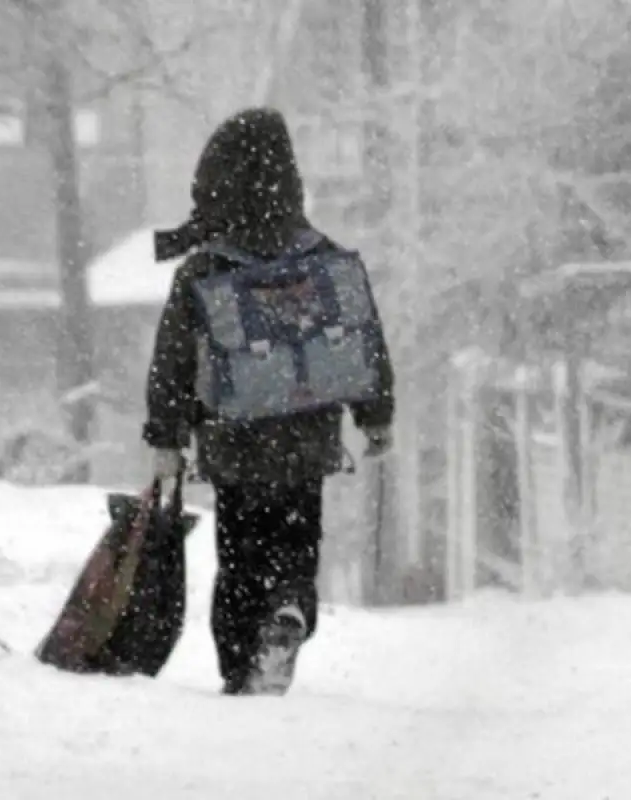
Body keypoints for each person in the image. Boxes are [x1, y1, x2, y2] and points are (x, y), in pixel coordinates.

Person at [142, 107, 395, 696]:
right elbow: (364, 337)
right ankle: (289, 609)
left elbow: (172, 361)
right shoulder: (322, 254)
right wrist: (376, 416)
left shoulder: (205, 267)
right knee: (296, 543)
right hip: (308, 438)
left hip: (234, 442)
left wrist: (167, 439)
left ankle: (240, 668)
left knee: (240, 554)